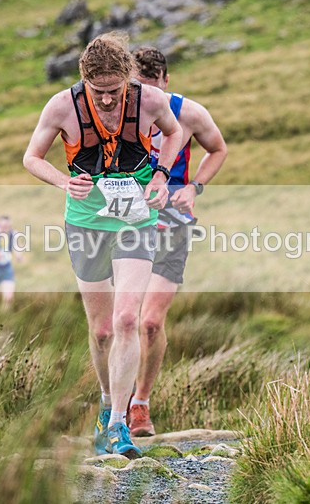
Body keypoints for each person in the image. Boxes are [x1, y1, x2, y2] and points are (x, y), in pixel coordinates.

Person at [23, 32, 182, 458]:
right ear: (84, 80)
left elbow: (175, 133)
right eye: (99, 92)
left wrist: (162, 175)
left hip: (136, 219)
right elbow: (31, 157)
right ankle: (107, 403)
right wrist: (63, 181)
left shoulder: (150, 100)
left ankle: (118, 427)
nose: (108, 100)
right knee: (102, 330)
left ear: (128, 79)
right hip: (86, 222)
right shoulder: (62, 106)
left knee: (128, 319)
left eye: (115, 90)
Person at [128, 46, 228, 437]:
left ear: (166, 81)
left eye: (153, 86)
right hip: (127, 225)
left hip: (173, 225)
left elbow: (218, 148)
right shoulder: (119, 113)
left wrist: (194, 187)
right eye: (139, 87)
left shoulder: (189, 113)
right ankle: (113, 403)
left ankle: (140, 405)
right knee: (122, 322)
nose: (147, 95)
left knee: (151, 323)